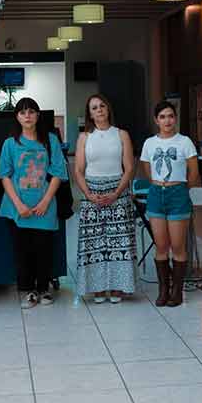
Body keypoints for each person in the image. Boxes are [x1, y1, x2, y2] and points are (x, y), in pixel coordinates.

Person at [0, 97, 68, 309]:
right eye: (22, 112)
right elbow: (4, 175)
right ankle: (27, 291)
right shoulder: (10, 143)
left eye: (31, 112)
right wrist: (18, 205)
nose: (27, 116)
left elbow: (58, 172)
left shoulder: (50, 140)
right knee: (23, 252)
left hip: (44, 206)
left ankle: (44, 289)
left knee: (44, 250)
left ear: (38, 115)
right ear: (17, 117)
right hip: (17, 207)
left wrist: (46, 201)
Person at [73, 94, 137, 304]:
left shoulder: (121, 134)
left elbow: (129, 168)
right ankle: (98, 288)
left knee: (119, 240)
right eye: (94, 108)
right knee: (95, 243)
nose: (99, 110)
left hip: (117, 192)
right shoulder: (84, 137)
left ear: (108, 109)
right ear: (89, 113)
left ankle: (118, 286)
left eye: (102, 106)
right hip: (92, 192)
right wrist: (89, 195)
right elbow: (79, 170)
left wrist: (117, 193)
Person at [140, 101, 199, 308]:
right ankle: (163, 289)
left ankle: (177, 291)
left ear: (176, 118)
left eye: (171, 116)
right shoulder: (149, 143)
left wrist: (180, 187)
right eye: (163, 117)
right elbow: (147, 171)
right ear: (156, 120)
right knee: (161, 245)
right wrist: (159, 184)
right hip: (156, 193)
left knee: (178, 245)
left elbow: (193, 173)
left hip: (178, 194)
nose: (167, 120)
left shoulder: (185, 142)